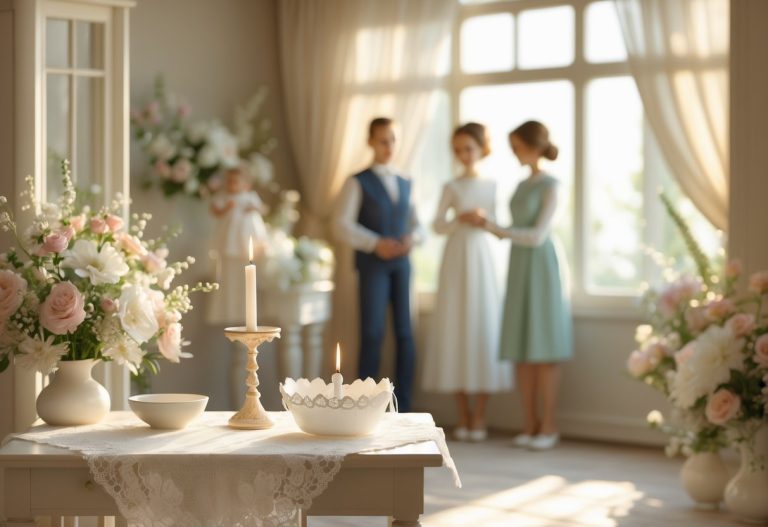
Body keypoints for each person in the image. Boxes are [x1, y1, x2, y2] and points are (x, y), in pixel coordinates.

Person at [466, 120, 572, 450]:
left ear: (534, 144)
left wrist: (498, 229)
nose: (514, 153)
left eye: (517, 146)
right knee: (522, 347)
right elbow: (514, 231)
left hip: (542, 266)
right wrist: (490, 226)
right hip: (519, 265)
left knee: (544, 348)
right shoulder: (522, 185)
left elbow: (538, 235)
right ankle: (529, 422)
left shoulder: (553, 185)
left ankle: (549, 423)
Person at [423, 123, 513, 442]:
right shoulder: (452, 185)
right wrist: (459, 219)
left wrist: (483, 221)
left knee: (483, 327)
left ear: (481, 148)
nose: (464, 155)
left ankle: (479, 416)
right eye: (458, 149)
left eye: (469, 149)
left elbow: (502, 228)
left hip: (483, 258)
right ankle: (462, 415)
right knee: (456, 328)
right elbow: (436, 224)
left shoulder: (492, 185)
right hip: (456, 259)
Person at [333, 117, 420, 412]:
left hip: (403, 264)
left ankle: (404, 407)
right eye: (383, 140)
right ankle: (365, 406)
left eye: (393, 140)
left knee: (405, 333)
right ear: (371, 142)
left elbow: (418, 225)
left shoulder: (407, 181)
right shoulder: (358, 181)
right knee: (372, 333)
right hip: (372, 265)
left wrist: (412, 239)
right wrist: (375, 243)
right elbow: (340, 225)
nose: (389, 147)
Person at [207, 166, 269, 325]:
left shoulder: (250, 197)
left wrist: (255, 207)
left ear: (246, 185)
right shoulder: (224, 197)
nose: (230, 184)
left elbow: (263, 208)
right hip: (230, 240)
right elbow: (215, 211)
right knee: (231, 274)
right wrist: (226, 208)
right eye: (228, 181)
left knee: (248, 270)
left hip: (246, 238)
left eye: (234, 181)